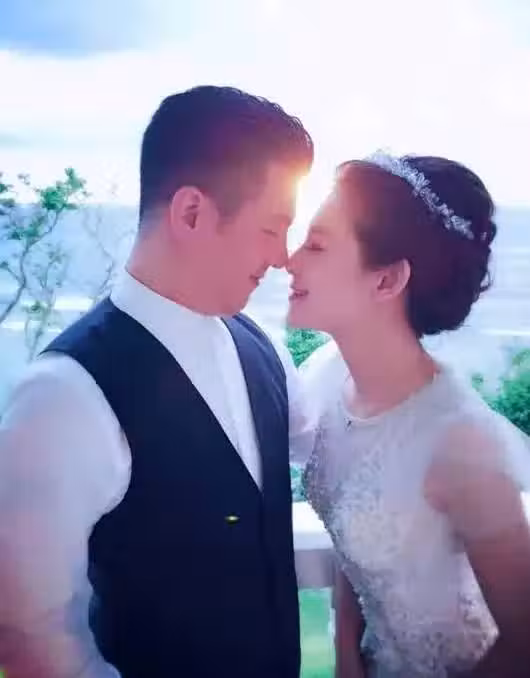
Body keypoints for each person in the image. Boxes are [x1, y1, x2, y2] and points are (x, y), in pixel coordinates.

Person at [0, 86, 315, 678]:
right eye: (272, 229)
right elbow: (31, 633)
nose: (283, 257)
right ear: (191, 213)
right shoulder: (63, 395)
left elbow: (332, 449)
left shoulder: (264, 349)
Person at [287, 152, 530, 677]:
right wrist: (346, 655)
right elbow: (354, 536)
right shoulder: (330, 379)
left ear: (387, 281)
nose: (290, 260)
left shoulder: (461, 443)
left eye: (317, 245)